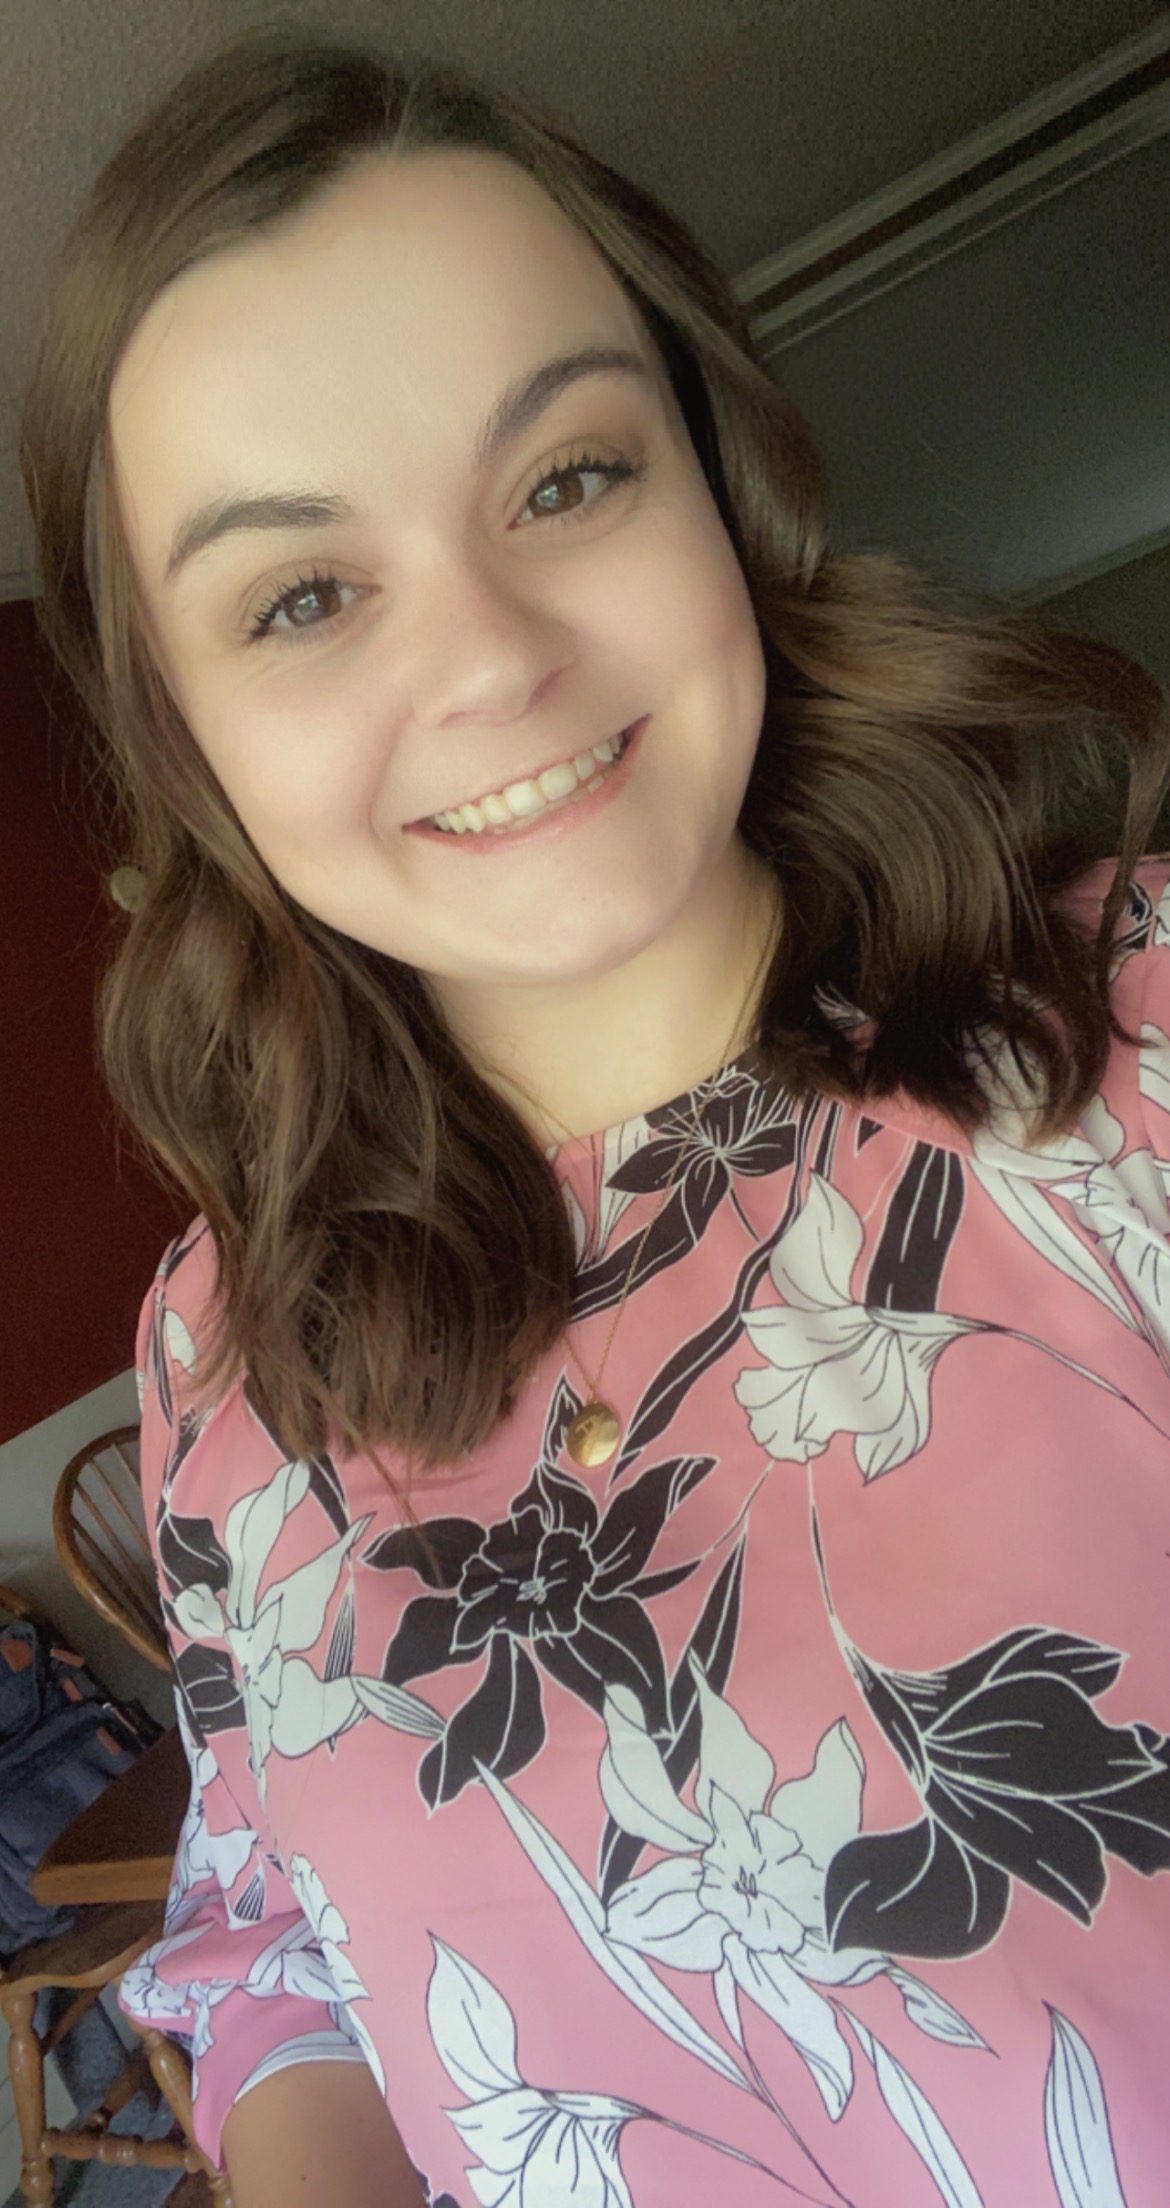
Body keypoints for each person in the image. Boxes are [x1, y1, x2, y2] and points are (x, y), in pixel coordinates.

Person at [21, 28, 1170, 2208]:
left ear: (716, 490)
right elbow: (279, 1957)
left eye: (565, 479)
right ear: (185, 742)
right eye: (302, 596)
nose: (488, 660)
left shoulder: (1135, 1027)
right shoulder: (215, 1349)